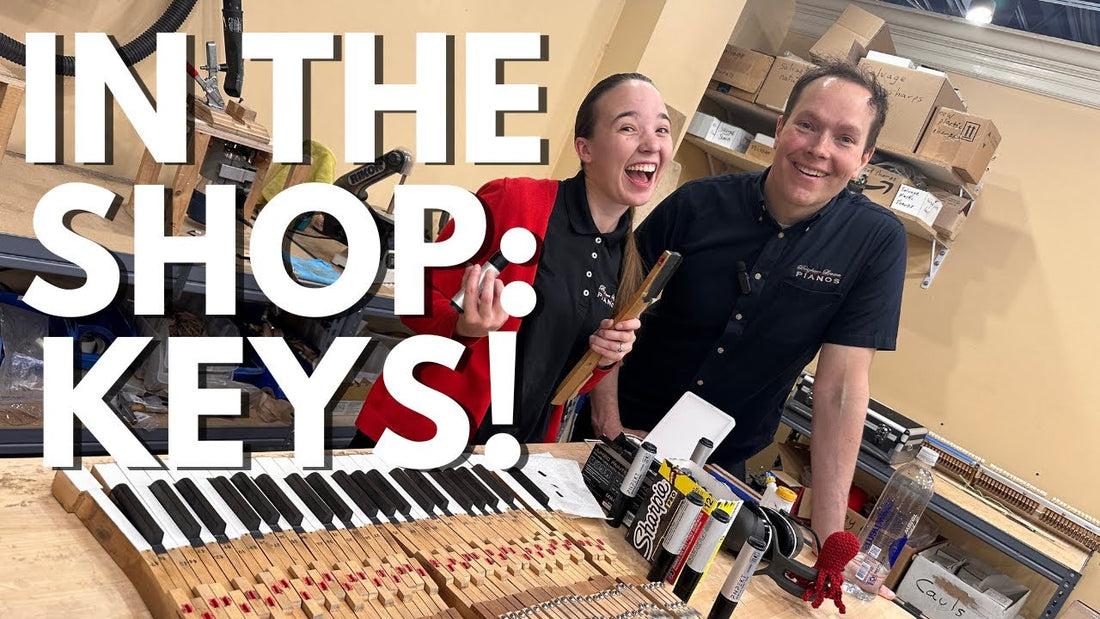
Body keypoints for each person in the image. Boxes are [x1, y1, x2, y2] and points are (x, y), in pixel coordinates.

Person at [587, 60, 907, 540]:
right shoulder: (696, 205)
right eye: (807, 125)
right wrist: (608, 427)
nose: (819, 150)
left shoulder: (876, 242)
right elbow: (611, 310)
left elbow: (840, 388)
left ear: (865, 157)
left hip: (715, 469)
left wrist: (829, 539)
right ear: (780, 129)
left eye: (844, 138)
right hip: (618, 430)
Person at [353, 73, 674, 447]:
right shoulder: (514, 201)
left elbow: (562, 382)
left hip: (511, 457)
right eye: (629, 128)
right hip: (423, 433)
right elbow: (416, 294)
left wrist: (603, 359)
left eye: (662, 130)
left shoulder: (625, 260)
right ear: (585, 149)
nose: (651, 143)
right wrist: (463, 327)